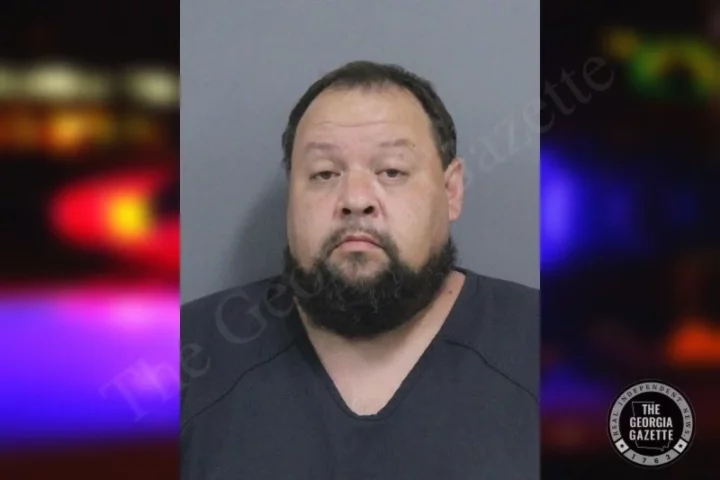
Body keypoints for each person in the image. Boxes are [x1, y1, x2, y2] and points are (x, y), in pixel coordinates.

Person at [181, 60, 539, 480]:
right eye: (324, 174)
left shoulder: (547, 349)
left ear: (451, 191)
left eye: (392, 171)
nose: (355, 199)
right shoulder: (185, 357)